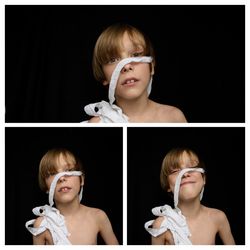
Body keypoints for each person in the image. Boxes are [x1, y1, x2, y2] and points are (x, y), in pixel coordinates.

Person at [84, 23, 187, 123]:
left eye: (136, 55)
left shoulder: (174, 118)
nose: (127, 66)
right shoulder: (98, 125)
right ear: (103, 76)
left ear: (151, 66)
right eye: (113, 59)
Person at [25, 148, 119, 245]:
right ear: (46, 187)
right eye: (52, 173)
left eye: (69, 170)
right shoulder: (42, 225)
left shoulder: (98, 217)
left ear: (81, 180)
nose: (61, 178)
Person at [144, 148, 235, 245]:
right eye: (175, 171)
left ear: (203, 178)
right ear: (168, 185)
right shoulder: (161, 226)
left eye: (191, 168)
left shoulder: (218, 217)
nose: (185, 174)